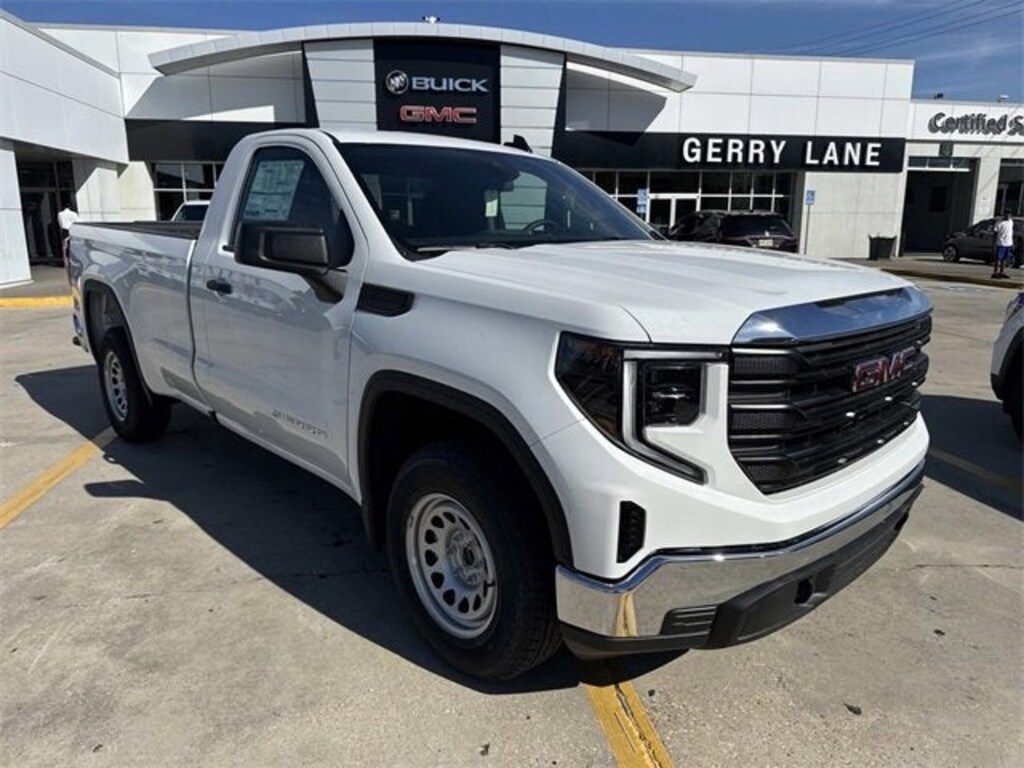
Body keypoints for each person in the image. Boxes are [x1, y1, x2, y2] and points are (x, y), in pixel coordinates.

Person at [57, 203, 78, 280]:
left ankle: (66, 264)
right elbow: (76, 222)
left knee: (65, 247)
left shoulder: (60, 214)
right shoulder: (74, 214)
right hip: (72, 229)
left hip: (64, 230)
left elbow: (61, 223)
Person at [992, 210, 1014, 279]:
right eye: (1006, 214)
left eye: (1009, 214)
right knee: (998, 258)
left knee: (1004, 259)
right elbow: (995, 233)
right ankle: (995, 273)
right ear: (1004, 215)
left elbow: (1010, 232)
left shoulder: (1011, 222)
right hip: (1000, 243)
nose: (1008, 216)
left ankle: (1001, 272)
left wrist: (1012, 243)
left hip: (1008, 243)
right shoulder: (999, 223)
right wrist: (994, 243)